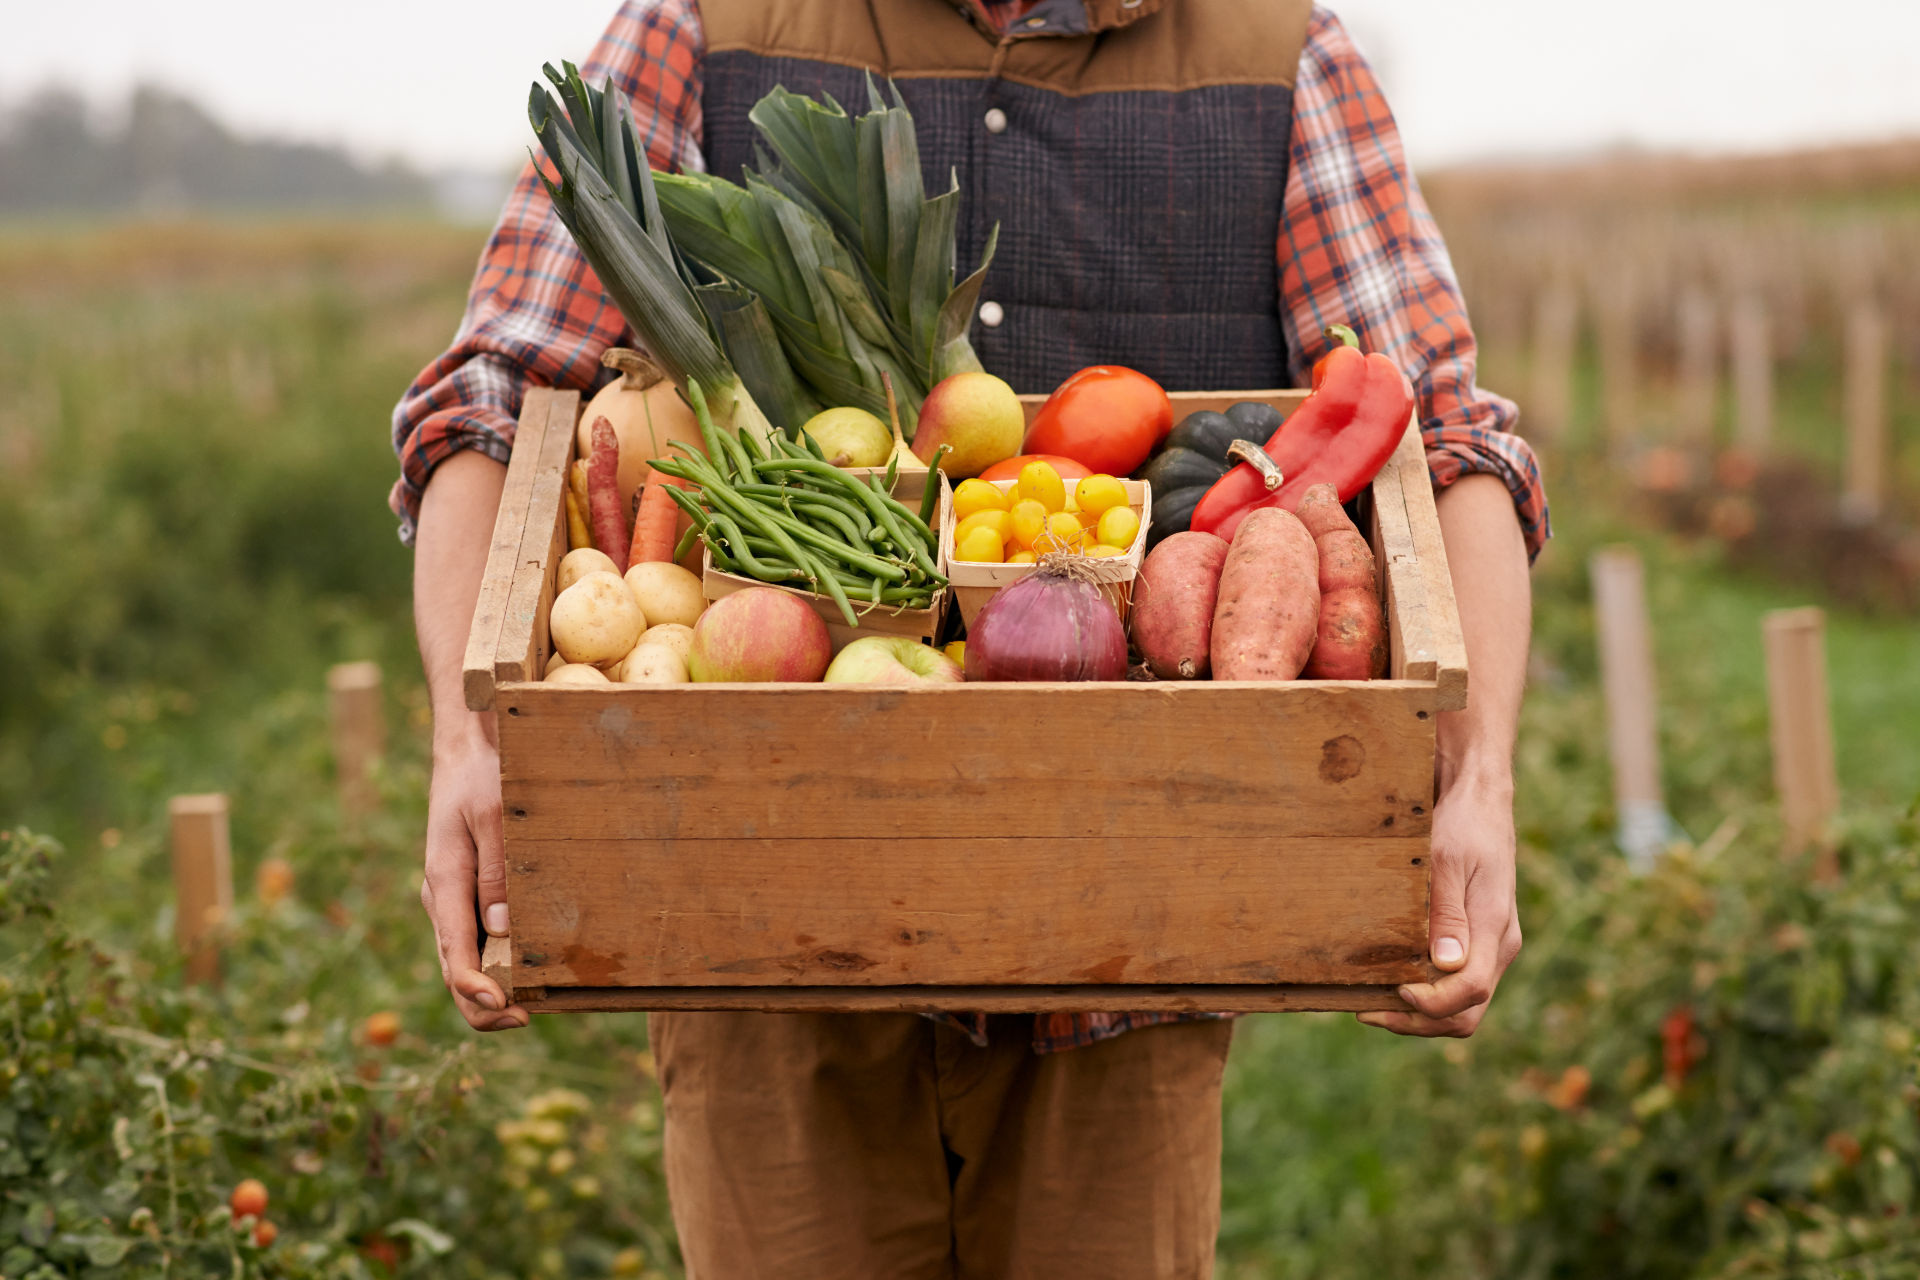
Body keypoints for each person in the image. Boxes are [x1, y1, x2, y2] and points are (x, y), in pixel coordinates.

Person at [395, 1, 1544, 1274]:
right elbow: (494, 399)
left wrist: (1476, 775)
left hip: (1135, 948)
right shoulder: (704, 22)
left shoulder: (1277, 49)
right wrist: (467, 736)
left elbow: (1446, 444)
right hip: (768, 944)